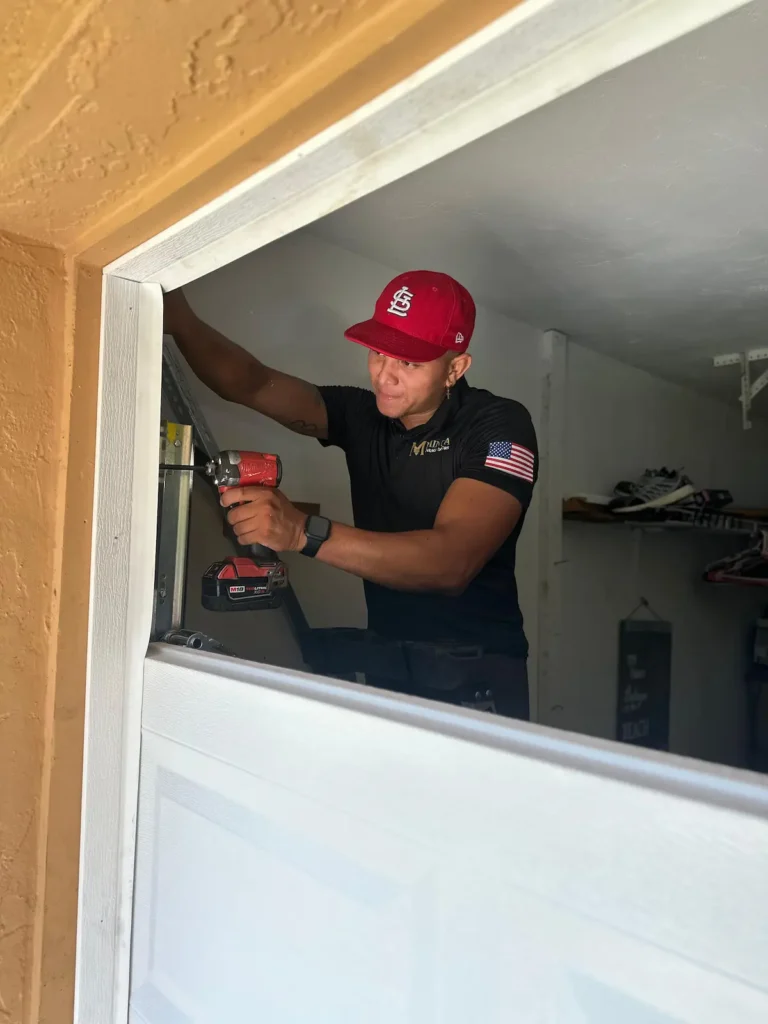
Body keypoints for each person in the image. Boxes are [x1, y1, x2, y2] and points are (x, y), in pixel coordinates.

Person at [163, 270, 538, 718]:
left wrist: (302, 532)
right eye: (378, 353)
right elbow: (252, 383)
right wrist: (181, 321)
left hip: (478, 680)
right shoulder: (364, 416)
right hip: (389, 670)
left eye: (410, 363)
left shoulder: (498, 427)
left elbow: (451, 563)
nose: (386, 375)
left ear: (455, 368)